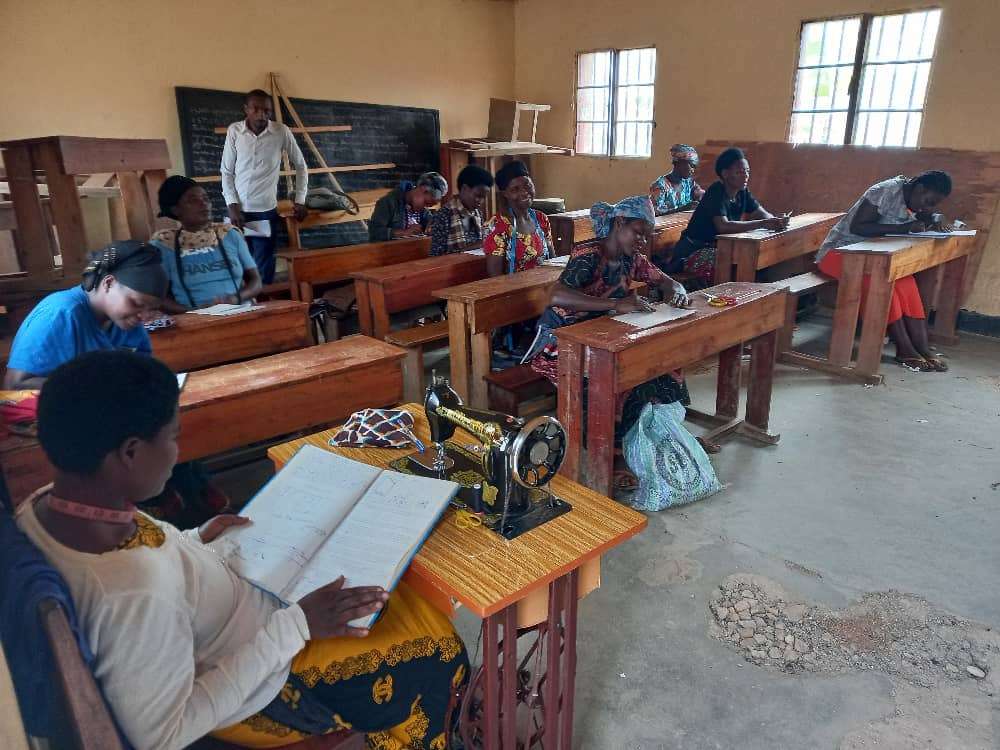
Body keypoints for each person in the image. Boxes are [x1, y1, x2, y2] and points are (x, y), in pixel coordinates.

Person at [17, 350, 469, 750]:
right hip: (262, 681)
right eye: (172, 438)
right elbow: (162, 734)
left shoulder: (49, 505)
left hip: (248, 606)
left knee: (396, 596)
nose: (177, 453)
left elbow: (153, 550)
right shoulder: (130, 593)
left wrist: (195, 538)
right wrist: (297, 625)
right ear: (131, 452)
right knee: (439, 653)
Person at [523, 196, 693, 490]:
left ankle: (669, 434)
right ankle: (608, 457)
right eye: (637, 232)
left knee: (661, 362)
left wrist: (675, 287)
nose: (641, 240)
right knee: (607, 377)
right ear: (618, 224)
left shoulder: (632, 258)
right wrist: (616, 305)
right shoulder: (590, 254)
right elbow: (556, 296)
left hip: (601, 335)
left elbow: (662, 279)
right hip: (560, 342)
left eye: (646, 235)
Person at [816, 171, 955, 372]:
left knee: (905, 280)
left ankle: (922, 347)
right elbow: (858, 227)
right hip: (839, 253)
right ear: (919, 188)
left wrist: (935, 216)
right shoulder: (884, 191)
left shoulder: (913, 198)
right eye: (928, 201)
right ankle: (904, 349)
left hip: (873, 256)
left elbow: (924, 214)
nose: (927, 207)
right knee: (879, 282)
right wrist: (906, 228)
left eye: (933, 205)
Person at [3, 241, 166, 390]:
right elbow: (15, 384)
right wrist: (94, 385)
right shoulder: (61, 314)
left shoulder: (126, 322)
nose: (144, 316)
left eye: (151, 309)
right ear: (108, 283)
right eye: (136, 303)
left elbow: (139, 370)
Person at [658, 147, 789, 286]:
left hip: (720, 248)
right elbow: (723, 226)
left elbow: (762, 214)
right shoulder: (716, 191)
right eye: (740, 172)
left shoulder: (742, 192)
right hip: (693, 252)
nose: (745, 176)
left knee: (748, 259)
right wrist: (763, 223)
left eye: (747, 171)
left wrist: (775, 220)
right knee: (727, 261)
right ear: (725, 174)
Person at [221, 89, 309, 284]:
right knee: (236, 264)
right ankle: (242, 310)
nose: (262, 115)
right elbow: (226, 172)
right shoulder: (235, 131)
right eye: (256, 109)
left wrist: (300, 200)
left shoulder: (280, 131)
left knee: (263, 267)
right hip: (237, 212)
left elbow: (301, 165)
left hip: (264, 212)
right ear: (246, 109)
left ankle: (265, 309)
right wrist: (232, 204)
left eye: (267, 111)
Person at [151, 176, 262, 311]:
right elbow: (157, 297)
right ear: (175, 210)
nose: (203, 204)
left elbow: (256, 282)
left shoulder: (229, 234)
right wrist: (193, 312)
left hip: (240, 310)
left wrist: (234, 299)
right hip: (194, 321)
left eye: (205, 198)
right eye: (193, 200)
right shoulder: (164, 244)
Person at [483, 160, 554, 277]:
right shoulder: (496, 226)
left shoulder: (541, 218)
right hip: (514, 292)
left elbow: (552, 262)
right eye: (515, 189)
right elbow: (495, 279)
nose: (524, 192)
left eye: (528, 185)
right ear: (505, 194)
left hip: (544, 286)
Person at [429, 165, 493, 255]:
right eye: (478, 196)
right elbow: (435, 255)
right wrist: (477, 245)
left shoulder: (477, 214)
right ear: (464, 189)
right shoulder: (444, 215)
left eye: (484, 197)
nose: (481, 201)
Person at [369, 172, 448, 242]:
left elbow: (432, 222)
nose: (425, 208)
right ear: (423, 190)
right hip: (387, 254)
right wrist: (403, 233)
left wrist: (433, 227)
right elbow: (374, 232)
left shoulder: (422, 210)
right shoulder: (388, 202)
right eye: (425, 203)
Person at [648, 144, 705, 215]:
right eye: (692, 165)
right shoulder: (660, 186)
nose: (693, 170)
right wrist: (682, 209)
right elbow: (655, 213)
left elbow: (700, 193)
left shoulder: (688, 183)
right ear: (680, 163)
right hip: (667, 225)